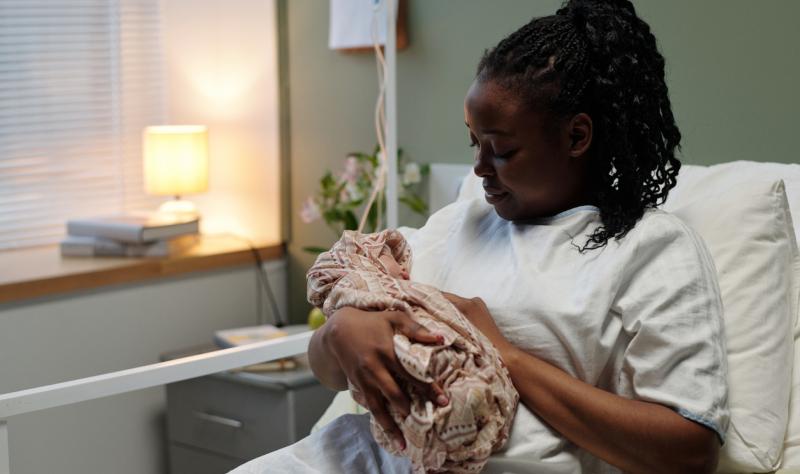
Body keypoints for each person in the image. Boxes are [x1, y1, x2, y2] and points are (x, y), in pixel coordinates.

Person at [231, 0, 728, 472]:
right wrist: (340, 334)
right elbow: (328, 370)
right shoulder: (456, 224)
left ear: (577, 136)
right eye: (474, 143)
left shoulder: (652, 248)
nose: (480, 168)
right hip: (352, 456)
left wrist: (503, 354)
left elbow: (690, 452)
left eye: (502, 150)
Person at [306, 228, 518, 473]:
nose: (406, 272)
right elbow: (330, 372)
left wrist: (503, 352)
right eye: (389, 260)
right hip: (350, 445)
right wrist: (335, 329)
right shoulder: (434, 230)